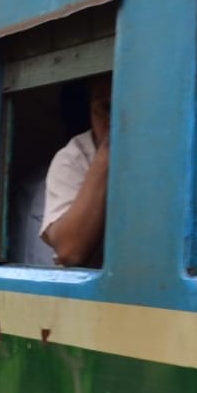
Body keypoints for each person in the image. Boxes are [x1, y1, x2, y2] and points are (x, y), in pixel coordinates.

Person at [40, 75, 114, 267]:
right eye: (106, 108)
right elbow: (69, 251)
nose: (114, 118)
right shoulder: (75, 157)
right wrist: (107, 152)